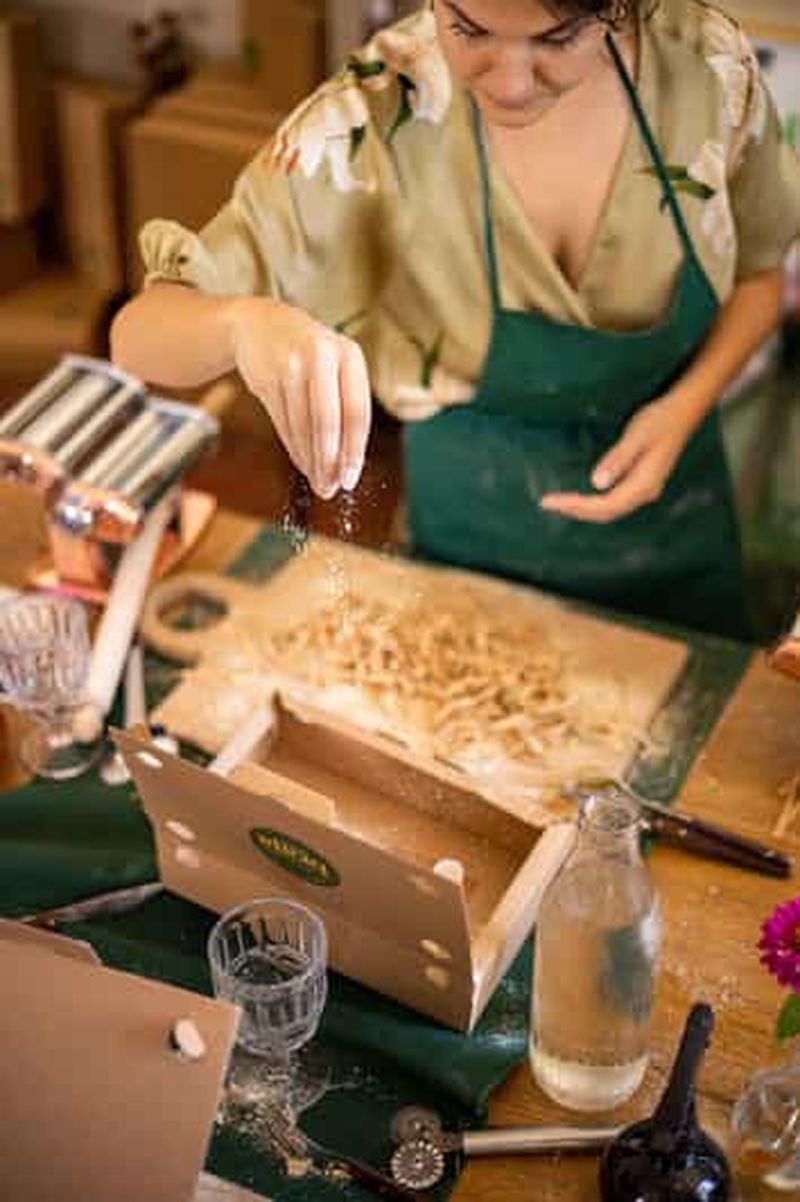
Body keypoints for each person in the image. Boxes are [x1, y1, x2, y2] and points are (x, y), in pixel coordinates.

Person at [111, 0, 800, 640]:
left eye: (557, 39)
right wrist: (240, 322)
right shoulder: (378, 113)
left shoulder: (705, 68)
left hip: (675, 542)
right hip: (468, 540)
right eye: (469, 29)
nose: (511, 83)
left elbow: (761, 278)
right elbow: (138, 335)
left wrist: (685, 405)